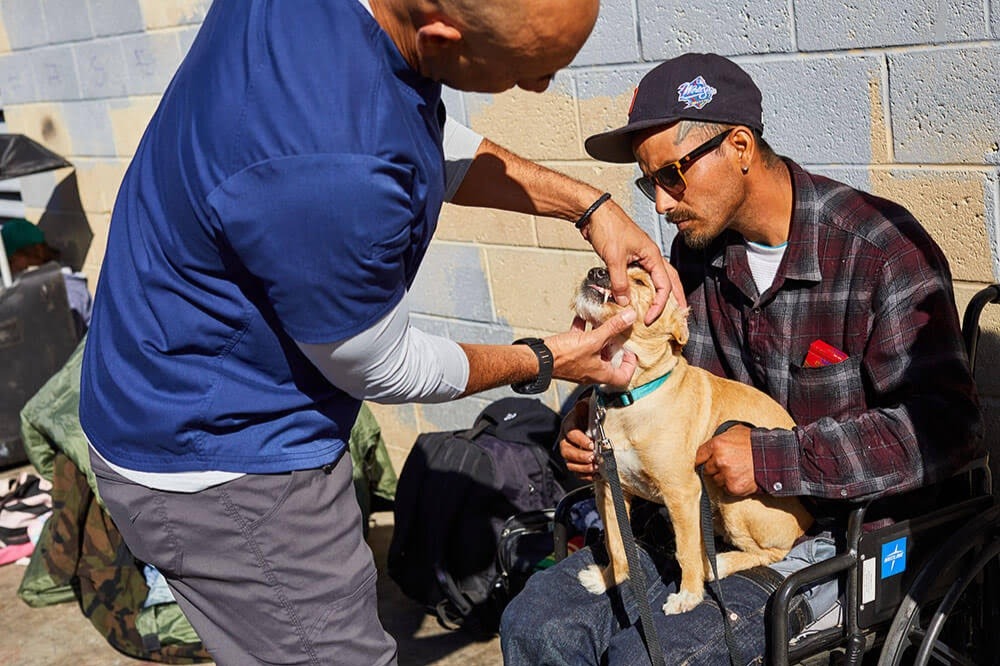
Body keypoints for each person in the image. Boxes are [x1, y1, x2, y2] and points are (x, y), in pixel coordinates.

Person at [78, 1, 684, 664]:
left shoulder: (344, 36)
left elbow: (407, 128)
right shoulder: (332, 170)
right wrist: (548, 357)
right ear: (439, 34)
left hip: (166, 385)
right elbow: (379, 365)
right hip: (225, 458)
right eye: (525, 70)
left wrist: (587, 206)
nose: (538, 86)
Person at [500, 52, 983, 664]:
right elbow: (656, 376)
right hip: (692, 513)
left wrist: (771, 457)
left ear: (739, 146)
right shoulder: (695, 256)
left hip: (834, 538)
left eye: (672, 175)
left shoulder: (878, 253)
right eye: (651, 183)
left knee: (646, 658)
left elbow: (951, 430)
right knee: (536, 624)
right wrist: (584, 420)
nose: (660, 204)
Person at [2, 217, 92, 337]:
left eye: (11, 261)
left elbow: (66, 339)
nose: (10, 269)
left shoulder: (67, 289)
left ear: (38, 251)